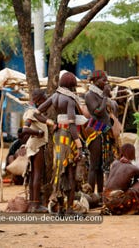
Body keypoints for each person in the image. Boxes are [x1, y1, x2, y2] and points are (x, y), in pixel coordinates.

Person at [37, 72, 85, 214]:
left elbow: (36, 113)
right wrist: (79, 145)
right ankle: (69, 209)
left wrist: (51, 123)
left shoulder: (55, 96)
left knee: (59, 171)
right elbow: (71, 125)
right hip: (67, 137)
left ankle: (61, 209)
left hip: (57, 136)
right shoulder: (69, 100)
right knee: (69, 172)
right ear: (71, 85)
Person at [84, 70, 119, 199]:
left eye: (106, 80)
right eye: (103, 80)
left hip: (105, 131)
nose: (105, 83)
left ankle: (99, 195)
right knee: (94, 165)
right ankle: (90, 195)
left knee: (101, 166)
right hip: (96, 132)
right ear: (95, 81)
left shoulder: (101, 95)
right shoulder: (89, 95)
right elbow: (97, 112)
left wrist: (107, 96)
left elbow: (111, 110)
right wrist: (105, 96)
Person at [22, 88, 52, 213]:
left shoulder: (33, 111)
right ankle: (35, 204)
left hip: (35, 145)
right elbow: (24, 129)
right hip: (36, 145)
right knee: (37, 174)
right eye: (44, 98)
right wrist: (38, 132)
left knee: (34, 174)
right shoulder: (32, 112)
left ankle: (33, 203)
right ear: (40, 99)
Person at [102, 143, 139, 215]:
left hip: (105, 201)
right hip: (117, 203)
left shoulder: (114, 163)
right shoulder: (132, 168)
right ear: (132, 154)